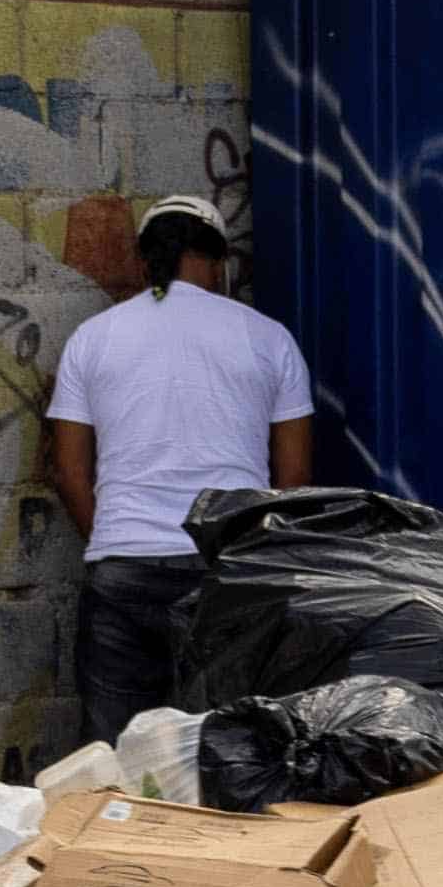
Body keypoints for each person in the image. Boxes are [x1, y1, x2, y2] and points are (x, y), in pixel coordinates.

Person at [46, 194, 313, 742]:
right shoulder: (268, 338)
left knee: (115, 754)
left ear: (145, 262)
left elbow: (69, 472)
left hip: (123, 569)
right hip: (226, 568)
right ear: (218, 263)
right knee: (229, 749)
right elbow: (294, 480)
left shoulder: (92, 338)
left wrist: (118, 539)